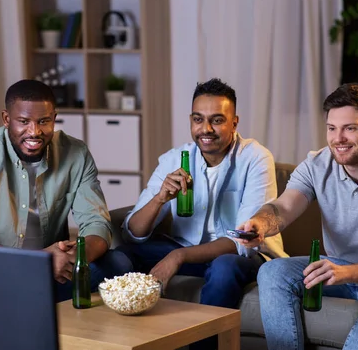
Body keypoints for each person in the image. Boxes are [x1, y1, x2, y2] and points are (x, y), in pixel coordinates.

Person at [236, 83, 358, 350]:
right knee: (272, 272)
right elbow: (283, 208)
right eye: (332, 128)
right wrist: (260, 224)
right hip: (340, 268)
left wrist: (347, 272)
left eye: (349, 128)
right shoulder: (317, 164)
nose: (338, 138)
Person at [112, 78, 287, 348]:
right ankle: (112, 340)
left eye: (217, 120)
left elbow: (242, 240)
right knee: (121, 256)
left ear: (234, 123)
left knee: (224, 268)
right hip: (189, 251)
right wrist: (160, 199)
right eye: (198, 119)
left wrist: (178, 256)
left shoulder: (255, 158)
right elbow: (133, 232)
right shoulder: (175, 158)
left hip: (243, 257)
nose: (206, 129)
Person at [0, 79, 127, 301]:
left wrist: (75, 257)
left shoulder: (76, 154)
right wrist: (41, 261)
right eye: (23, 121)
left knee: (119, 263)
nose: (34, 132)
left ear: (54, 119)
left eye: (44, 121)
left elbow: (97, 224)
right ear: (6, 119)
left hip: (57, 271)